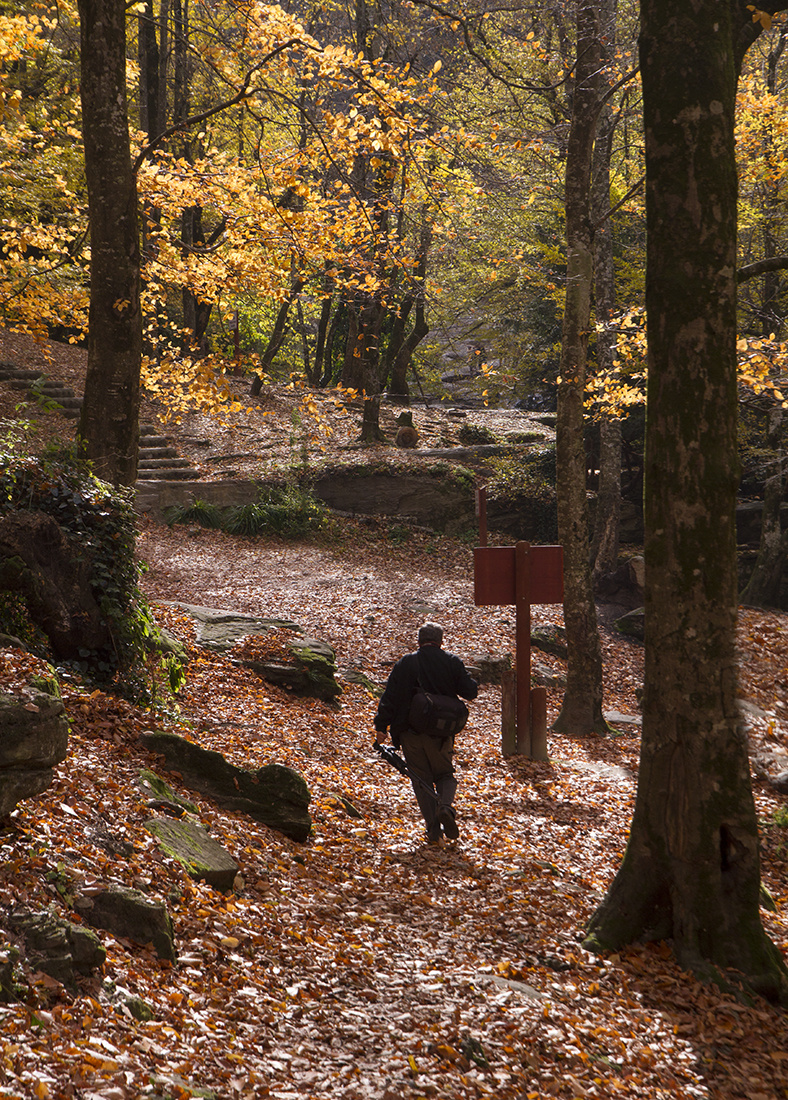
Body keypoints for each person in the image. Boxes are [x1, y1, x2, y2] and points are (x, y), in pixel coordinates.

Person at [374, 622, 478, 843]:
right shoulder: (451, 662)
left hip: (410, 733)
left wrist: (381, 727)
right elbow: (470, 692)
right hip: (441, 734)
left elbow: (390, 696)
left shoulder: (407, 663)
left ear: (418, 640)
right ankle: (445, 807)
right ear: (441, 641)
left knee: (421, 780)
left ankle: (433, 831)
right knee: (445, 775)